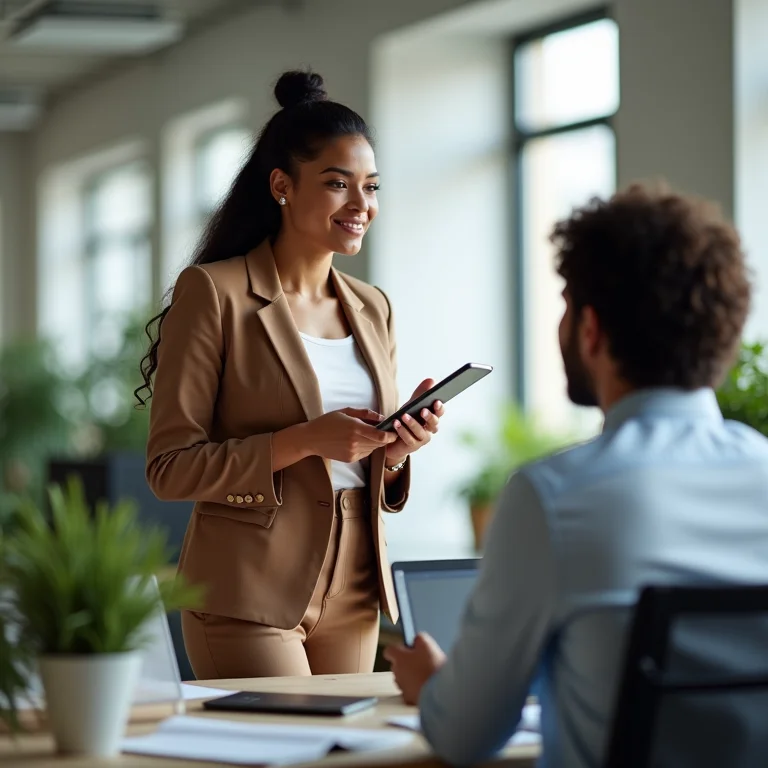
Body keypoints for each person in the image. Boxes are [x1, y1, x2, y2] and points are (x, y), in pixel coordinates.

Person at [385, 184, 768, 768]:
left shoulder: (555, 498)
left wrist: (432, 685)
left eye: (565, 305)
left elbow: (466, 737)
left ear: (591, 329)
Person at [137, 70, 444, 679]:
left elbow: (357, 462)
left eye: (371, 187)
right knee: (289, 734)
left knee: (347, 733)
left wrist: (396, 451)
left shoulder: (373, 306)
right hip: (247, 585)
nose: (361, 205)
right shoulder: (215, 293)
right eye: (337, 184)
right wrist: (303, 440)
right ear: (282, 185)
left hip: (355, 585)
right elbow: (169, 469)